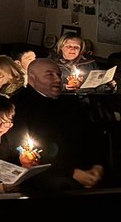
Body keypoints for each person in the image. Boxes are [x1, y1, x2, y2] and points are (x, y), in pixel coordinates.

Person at [9, 58, 104, 191]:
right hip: (47, 171)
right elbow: (24, 151)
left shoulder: (71, 102)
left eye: (59, 75)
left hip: (84, 167)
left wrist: (97, 166)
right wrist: (72, 173)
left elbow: (92, 135)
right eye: (49, 75)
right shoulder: (18, 105)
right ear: (32, 79)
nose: (58, 80)